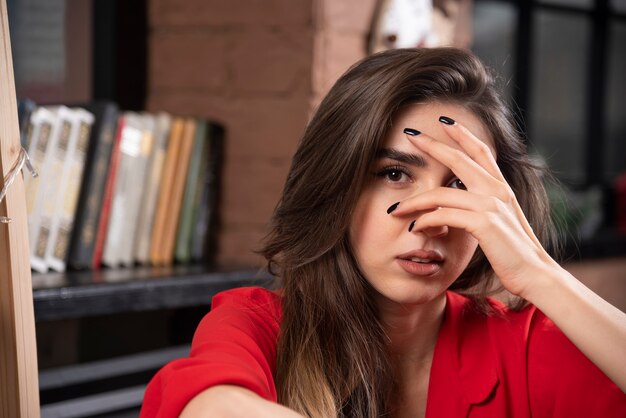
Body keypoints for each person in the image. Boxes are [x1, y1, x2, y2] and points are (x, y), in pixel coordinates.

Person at [140, 48, 626, 418]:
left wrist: (538, 271)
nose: (432, 219)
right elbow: (211, 406)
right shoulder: (260, 326)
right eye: (395, 174)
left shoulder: (523, 348)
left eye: (461, 185)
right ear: (338, 185)